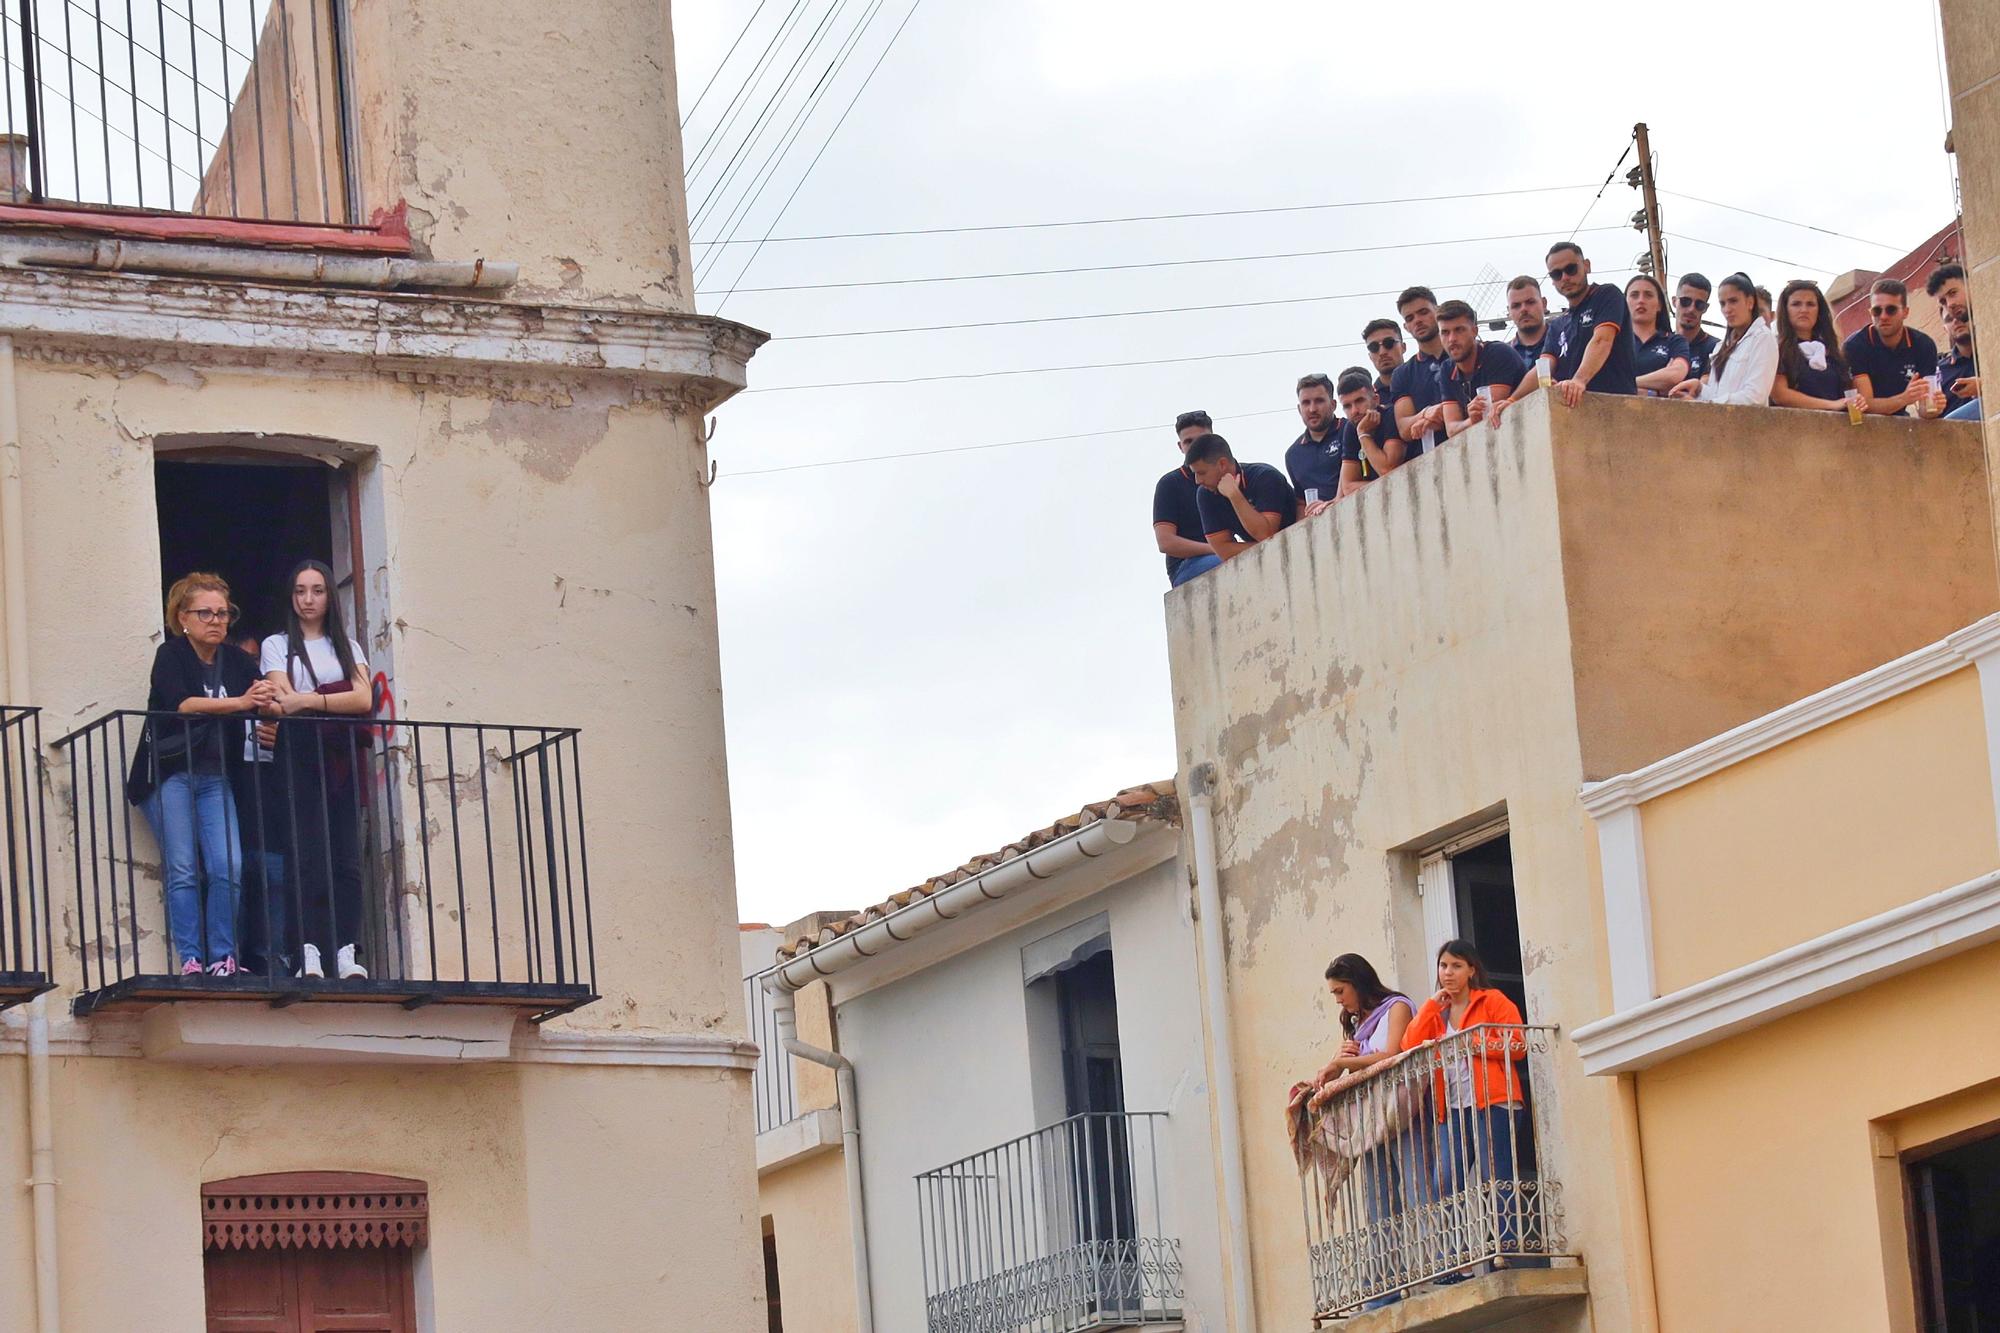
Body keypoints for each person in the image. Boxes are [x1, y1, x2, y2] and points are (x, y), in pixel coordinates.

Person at [125, 573, 277, 977]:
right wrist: (243, 701)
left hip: (216, 777)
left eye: (223, 613)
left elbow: (264, 702)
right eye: (205, 613)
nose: (216, 620)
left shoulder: (238, 661)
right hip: (171, 775)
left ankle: (223, 958)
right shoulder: (171, 655)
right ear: (183, 617)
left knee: (228, 865)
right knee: (183, 869)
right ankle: (192, 959)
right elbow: (183, 704)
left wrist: (269, 711)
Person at [262, 560, 376, 981]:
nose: (308, 599)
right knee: (304, 855)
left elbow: (364, 699)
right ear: (291, 597)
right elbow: (281, 697)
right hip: (298, 753)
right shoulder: (277, 645)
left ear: (329, 596)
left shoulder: (348, 645)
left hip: (340, 755)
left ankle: (346, 951)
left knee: (345, 857)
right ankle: (306, 951)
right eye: (300, 591)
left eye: (317, 590)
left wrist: (311, 702)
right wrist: (331, 699)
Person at [1401, 939, 1535, 1277]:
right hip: (1453, 1108)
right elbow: (1408, 1045)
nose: (1448, 973)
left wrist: (1471, 1042)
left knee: (1496, 1177)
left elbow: (1517, 1044)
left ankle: (1504, 1253)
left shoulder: (1492, 1001)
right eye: (1443, 966)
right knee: (1446, 1182)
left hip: (1495, 1102)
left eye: (1456, 966)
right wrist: (1431, 1006)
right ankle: (1457, 1262)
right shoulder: (1438, 1012)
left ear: (1472, 970)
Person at [1542, 242, 1639, 403]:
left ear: (1586, 266)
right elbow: (1543, 368)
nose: (1565, 277)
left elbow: (1602, 340)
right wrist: (1513, 399)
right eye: (1556, 274)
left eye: (1571, 269)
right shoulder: (1556, 325)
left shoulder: (1607, 295)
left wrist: (1579, 380)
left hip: (1616, 407)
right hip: (1574, 413)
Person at [1670, 273, 1777, 406]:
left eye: (1733, 301)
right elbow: (1719, 394)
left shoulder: (1763, 338)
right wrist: (1699, 389)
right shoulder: (1721, 346)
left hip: (1746, 425)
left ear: (1750, 302)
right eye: (1722, 303)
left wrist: (1701, 405)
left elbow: (1754, 397)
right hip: (1718, 423)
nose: (1727, 309)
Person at [1187, 433, 1298, 561]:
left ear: (1222, 464)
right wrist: (1267, 546)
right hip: (1271, 555)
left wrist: (1235, 496)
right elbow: (1222, 550)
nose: (1197, 481)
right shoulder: (1205, 494)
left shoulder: (1265, 477)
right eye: (1194, 474)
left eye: (1202, 473)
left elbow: (1265, 534)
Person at [1843, 278, 1939, 417]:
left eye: (1891, 310)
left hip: (1900, 420)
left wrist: (1935, 407)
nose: (1883, 317)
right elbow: (1865, 405)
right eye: (1877, 311)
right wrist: (1904, 398)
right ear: (1870, 313)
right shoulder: (1855, 346)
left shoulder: (1924, 345)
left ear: (1905, 312)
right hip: (1861, 426)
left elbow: (1926, 410)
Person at [1435, 301, 1531, 437]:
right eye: (1445, 332)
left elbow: (1489, 415)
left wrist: (1472, 420)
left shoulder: (1498, 353)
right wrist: (1471, 421)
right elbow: (1451, 430)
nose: (1452, 339)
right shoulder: (1446, 369)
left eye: (1459, 330)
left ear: (1474, 331)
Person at [1154, 411, 1223, 588]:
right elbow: (1166, 542)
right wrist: (1218, 548)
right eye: (1188, 442)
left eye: (1201, 439)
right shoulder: (1170, 484)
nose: (1195, 446)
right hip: (1187, 565)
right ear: (1180, 446)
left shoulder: (1227, 475)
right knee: (1231, 562)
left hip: (1226, 552)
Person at [1770, 280, 1854, 412]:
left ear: (1819, 311)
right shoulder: (1776, 349)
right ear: (1785, 310)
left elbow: (1847, 393)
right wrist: (1833, 405)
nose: (1804, 310)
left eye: (1810, 304)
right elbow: (1780, 395)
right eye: (1796, 304)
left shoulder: (1833, 353)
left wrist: (1854, 402)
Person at [1389, 287, 1450, 453]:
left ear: (1437, 311)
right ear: (1406, 326)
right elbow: (1404, 428)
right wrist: (1427, 413)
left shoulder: (1462, 354)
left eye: (1423, 312)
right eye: (1410, 318)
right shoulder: (1402, 374)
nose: (1417, 320)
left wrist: (1441, 413)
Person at [1334, 368, 1408, 497]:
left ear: (1376, 399)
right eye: (1347, 406)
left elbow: (1388, 470)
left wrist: (1363, 434)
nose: (1354, 411)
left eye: (1360, 401)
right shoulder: (1351, 427)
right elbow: (1347, 487)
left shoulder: (1390, 415)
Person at [1927, 264, 1981, 421]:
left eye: (1953, 293)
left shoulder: (1993, 345)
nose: (1950, 304)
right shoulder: (1939, 373)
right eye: (1943, 301)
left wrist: (1985, 386)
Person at [1287, 375, 1346, 516]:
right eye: (1306, 403)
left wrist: (1332, 503)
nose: (1312, 409)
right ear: (1299, 409)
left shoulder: (1349, 430)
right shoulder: (1293, 455)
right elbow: (1301, 502)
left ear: (1333, 404)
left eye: (1319, 401)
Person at [1624, 274, 1690, 395]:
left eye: (1648, 295)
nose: (1641, 300)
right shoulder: (1613, 340)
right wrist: (1656, 389)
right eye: (1634, 295)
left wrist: (1627, 383)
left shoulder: (1674, 341)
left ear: (1659, 304)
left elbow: (1675, 374)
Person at [1674, 273, 1723, 381]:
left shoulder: (1717, 349)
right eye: (1685, 301)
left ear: (1705, 308)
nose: (1691, 309)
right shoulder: (1661, 344)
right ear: (1674, 301)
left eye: (1699, 305)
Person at [1937, 307, 1981, 421]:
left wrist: (1983, 387)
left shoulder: (1993, 354)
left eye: (1959, 314)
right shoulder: (1938, 371)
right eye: (1949, 319)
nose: (1956, 321)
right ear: (1945, 329)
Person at [1505, 276, 1558, 365]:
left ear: (1544, 303)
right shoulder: (1504, 355)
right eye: (1516, 305)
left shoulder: (1563, 342)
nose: (1524, 309)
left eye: (1530, 302)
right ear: (1509, 311)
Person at [1362, 318, 1406, 407]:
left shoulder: (1424, 378)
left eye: (1389, 343)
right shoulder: (1370, 399)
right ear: (1370, 356)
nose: (1382, 352)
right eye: (1373, 347)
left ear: (1403, 347)